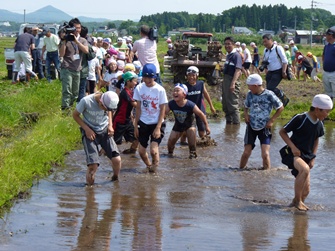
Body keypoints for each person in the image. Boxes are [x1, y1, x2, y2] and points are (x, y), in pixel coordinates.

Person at [279, 94, 333, 211]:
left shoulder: (320, 123)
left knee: (306, 191)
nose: (327, 115)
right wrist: (293, 147)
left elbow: (316, 139)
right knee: (304, 169)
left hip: (307, 156)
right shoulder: (300, 118)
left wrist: (313, 158)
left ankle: (295, 207)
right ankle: (298, 202)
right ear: (318, 109)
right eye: (327, 111)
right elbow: (282, 132)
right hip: (293, 154)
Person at [72, 91, 122, 185]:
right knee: (93, 165)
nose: (104, 110)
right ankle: (90, 191)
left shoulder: (108, 102)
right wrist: (86, 129)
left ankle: (115, 178)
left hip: (104, 130)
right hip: (89, 131)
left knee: (117, 160)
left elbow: (110, 112)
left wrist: (110, 125)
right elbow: (75, 115)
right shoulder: (86, 101)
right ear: (100, 100)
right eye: (103, 108)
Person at [239, 74, 283, 170]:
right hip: (251, 125)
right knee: (246, 153)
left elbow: (280, 107)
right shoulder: (250, 94)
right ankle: (239, 170)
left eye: (249, 86)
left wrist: (272, 120)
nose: (248, 88)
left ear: (256, 85)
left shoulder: (269, 95)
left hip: (265, 127)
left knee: (265, 154)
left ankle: (266, 174)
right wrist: (246, 114)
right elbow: (246, 106)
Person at [133, 63, 168, 173]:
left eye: (150, 77)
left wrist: (158, 127)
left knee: (153, 150)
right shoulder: (139, 88)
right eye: (145, 77)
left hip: (156, 122)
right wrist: (135, 125)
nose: (147, 80)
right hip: (143, 122)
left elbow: (162, 109)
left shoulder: (160, 90)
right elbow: (138, 108)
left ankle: (155, 170)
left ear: (154, 77)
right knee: (141, 151)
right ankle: (150, 167)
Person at [166, 83, 210, 159]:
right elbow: (163, 114)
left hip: (190, 125)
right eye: (174, 91)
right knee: (170, 143)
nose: (175, 93)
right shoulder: (171, 104)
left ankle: (193, 154)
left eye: (177, 91)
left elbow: (201, 114)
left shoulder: (190, 104)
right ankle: (170, 155)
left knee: (192, 135)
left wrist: (207, 126)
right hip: (178, 125)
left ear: (184, 94)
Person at [180, 66, 215, 144]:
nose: (191, 77)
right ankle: (182, 145)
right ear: (186, 76)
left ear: (197, 76)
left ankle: (204, 146)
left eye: (193, 75)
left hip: (200, 109)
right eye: (189, 75)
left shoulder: (201, 84)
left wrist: (211, 106)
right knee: (185, 132)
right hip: (189, 111)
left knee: (202, 132)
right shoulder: (184, 86)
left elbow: (206, 94)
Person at [59, 18, 89, 111]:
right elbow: (61, 54)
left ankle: (71, 109)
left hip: (77, 69)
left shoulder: (82, 40)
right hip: (67, 68)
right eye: (75, 28)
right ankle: (65, 110)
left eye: (79, 28)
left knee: (75, 93)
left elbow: (86, 51)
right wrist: (64, 40)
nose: (77, 30)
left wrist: (76, 41)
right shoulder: (66, 39)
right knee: (67, 91)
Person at [113, 71, 139, 154]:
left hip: (127, 121)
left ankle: (130, 155)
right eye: (134, 81)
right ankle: (100, 155)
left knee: (136, 139)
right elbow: (134, 104)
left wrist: (131, 116)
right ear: (128, 81)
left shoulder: (130, 92)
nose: (136, 83)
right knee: (113, 142)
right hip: (119, 121)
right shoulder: (125, 92)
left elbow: (129, 106)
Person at [261, 34, 289, 107]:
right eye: (263, 42)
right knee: (268, 90)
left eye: (266, 41)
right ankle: (273, 103)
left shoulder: (278, 48)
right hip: (270, 71)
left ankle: (284, 98)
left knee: (271, 88)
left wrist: (284, 72)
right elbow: (265, 60)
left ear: (271, 40)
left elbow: (285, 61)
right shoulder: (265, 50)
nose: (264, 44)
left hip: (278, 71)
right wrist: (265, 68)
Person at [222, 36, 243, 124]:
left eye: (229, 44)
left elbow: (238, 70)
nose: (227, 46)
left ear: (233, 44)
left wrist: (233, 83)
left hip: (232, 80)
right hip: (226, 80)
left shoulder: (236, 55)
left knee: (233, 105)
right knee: (225, 104)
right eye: (225, 44)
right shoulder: (228, 55)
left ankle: (236, 126)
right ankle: (229, 126)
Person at [322, 26, 335, 100]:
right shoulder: (326, 46)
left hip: (333, 72)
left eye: (326, 35)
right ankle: (329, 107)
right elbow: (323, 56)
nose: (325, 36)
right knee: (328, 92)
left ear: (330, 35)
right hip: (326, 72)